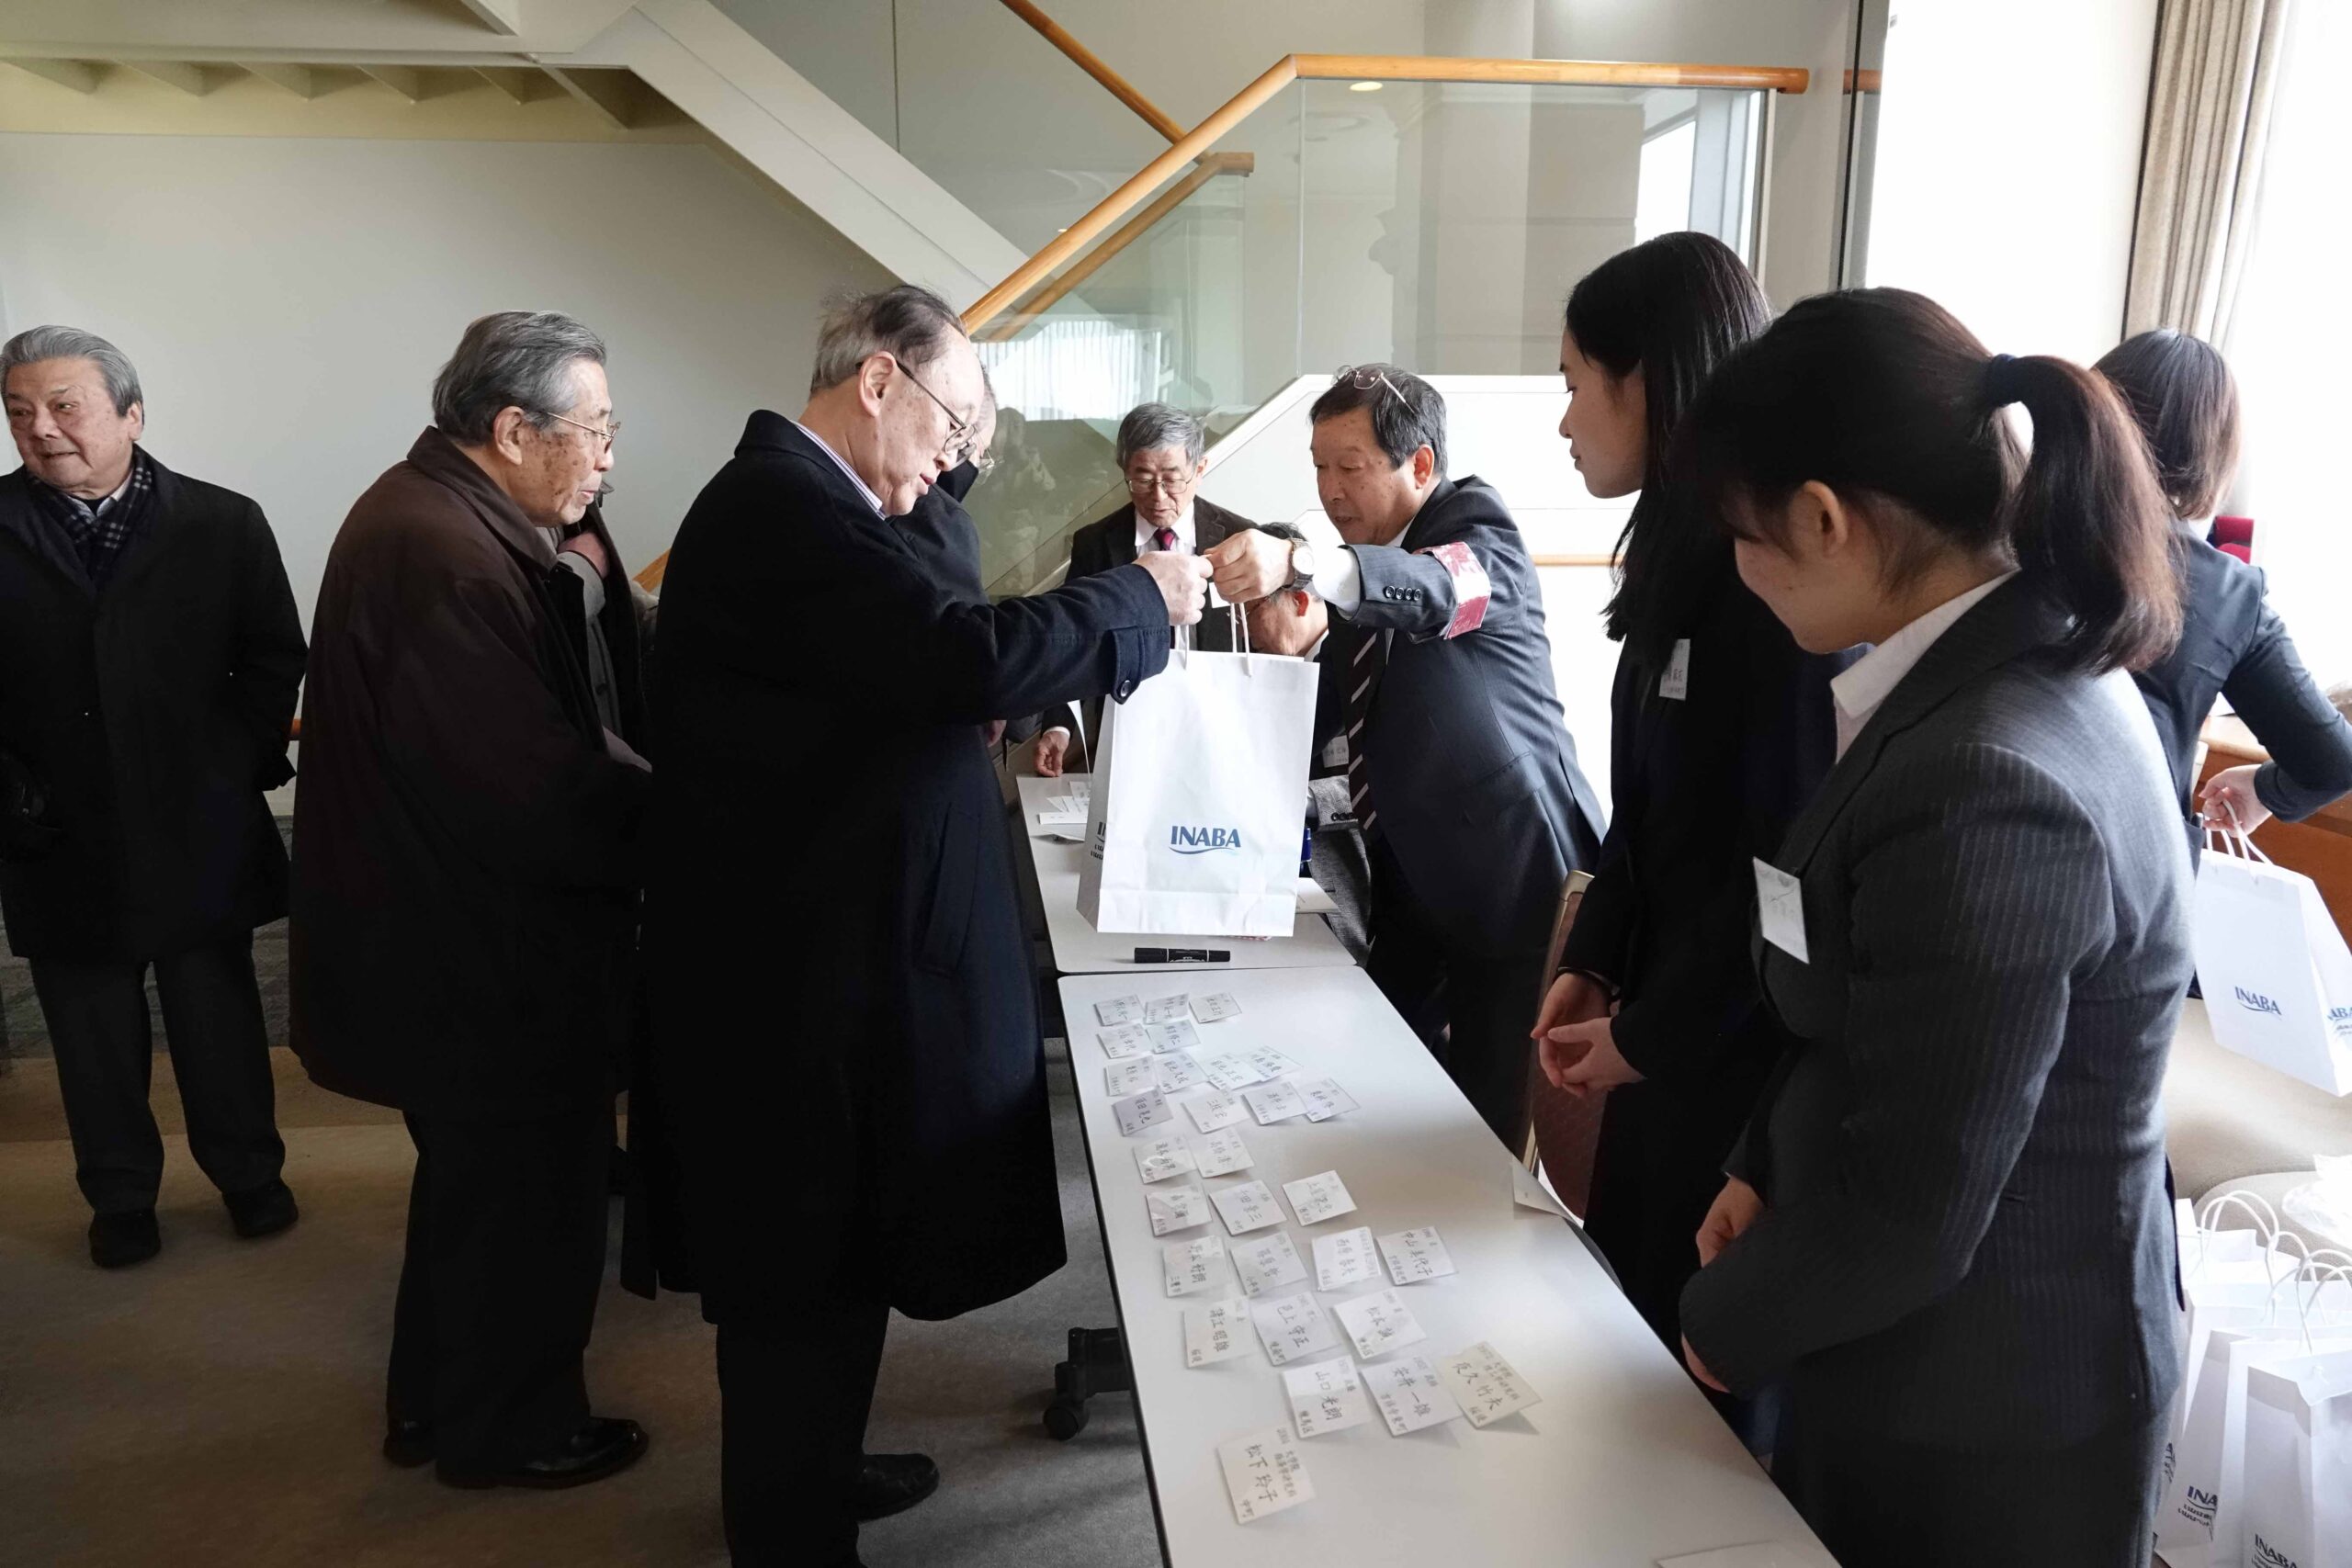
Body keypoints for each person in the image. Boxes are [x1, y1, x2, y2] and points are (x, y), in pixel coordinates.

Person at [639, 284, 1208, 1568]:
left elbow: (928, 649)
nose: (954, 462)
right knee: (795, 1277)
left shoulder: (846, 505)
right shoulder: (779, 506)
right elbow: (963, 655)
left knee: (843, 1252)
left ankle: (822, 1473)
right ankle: (789, 1531)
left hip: (834, 955)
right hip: (786, 980)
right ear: (879, 379)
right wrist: (1136, 595)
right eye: (952, 428)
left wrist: (947, 485)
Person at [1675, 289, 2189, 1568]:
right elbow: (1884, 1007)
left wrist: (1719, 1320)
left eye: (1741, 533)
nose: (1738, 570)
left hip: (1992, 1403)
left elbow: (1915, 1204)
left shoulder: (1987, 774)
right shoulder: (1991, 665)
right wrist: (1763, 1162)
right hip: (1926, 1343)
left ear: (1823, 518)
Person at [290, 311, 650, 1490]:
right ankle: (512, 1432)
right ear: (511, 430)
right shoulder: (443, 552)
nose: (608, 457)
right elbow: (525, 786)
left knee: (473, 1197)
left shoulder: (437, 512)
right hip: (476, 957)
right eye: (595, 430)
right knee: (528, 1207)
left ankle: (434, 1407)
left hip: (442, 942)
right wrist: (685, 822)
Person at [1524, 236, 1852, 1422]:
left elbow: (1776, 872)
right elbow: (1649, 816)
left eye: (1576, 383)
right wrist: (1594, 962)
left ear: (1648, 382)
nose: (1566, 419)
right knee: (1631, 1357)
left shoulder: (1764, 582)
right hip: (1667, 1035)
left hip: (1735, 1061)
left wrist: (1649, 1032)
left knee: (1693, 1398)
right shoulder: (1677, 557)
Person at [1207, 365, 1605, 1144]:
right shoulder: (1357, 570)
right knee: (1375, 1072)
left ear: (1420, 465)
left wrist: (1303, 562)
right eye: (1319, 467)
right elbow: (1319, 715)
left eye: (1349, 467)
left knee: (1493, 1119)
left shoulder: (1474, 528)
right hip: (1413, 881)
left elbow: (1437, 590)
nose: (1330, 490)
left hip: (1511, 879)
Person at [0, 325, 304, 1269]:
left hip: (196, 820)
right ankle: (120, 1195)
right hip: (53, 827)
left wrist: (227, 766)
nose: (41, 429)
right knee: (90, 1035)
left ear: (132, 414)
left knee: (219, 1021)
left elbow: (273, 658)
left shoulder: (224, 521)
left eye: (64, 406)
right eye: (19, 412)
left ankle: (249, 1174)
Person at [2095, 328, 2352, 839]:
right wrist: (2265, 788)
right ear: (2213, 455)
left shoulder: (2000, 533)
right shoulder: (2226, 593)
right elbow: (2332, 764)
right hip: (2127, 862)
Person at [1034, 401, 1253, 773]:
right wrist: (1060, 726)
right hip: (1129, 725)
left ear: (1199, 469)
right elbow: (1076, 639)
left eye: (1172, 479)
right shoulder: (1095, 543)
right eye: (1143, 479)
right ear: (1125, 471)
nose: (1158, 496)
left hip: (1217, 726)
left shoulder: (1238, 537)